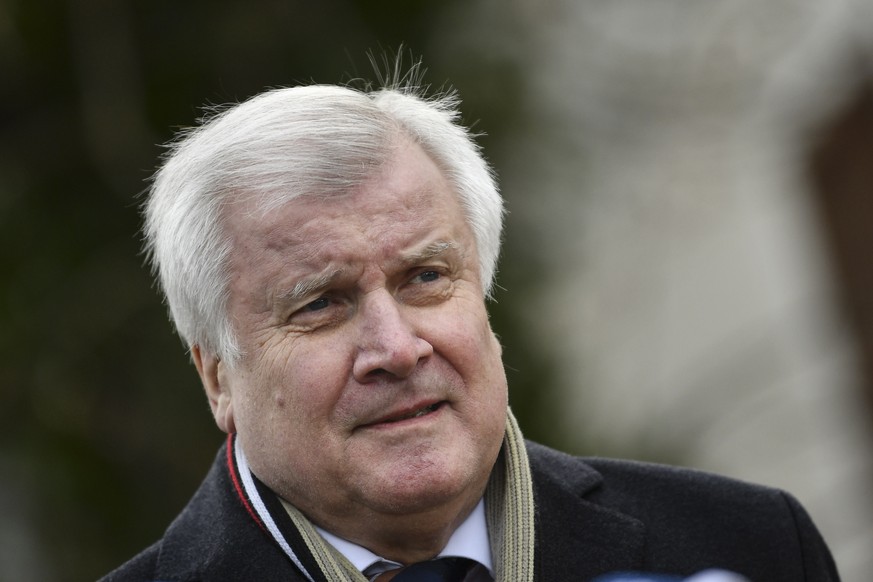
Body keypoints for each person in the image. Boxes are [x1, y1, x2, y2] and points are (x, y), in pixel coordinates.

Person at [101, 70, 840, 581]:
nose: (395, 348)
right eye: (320, 303)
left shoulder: (750, 548)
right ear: (218, 377)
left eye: (425, 278)